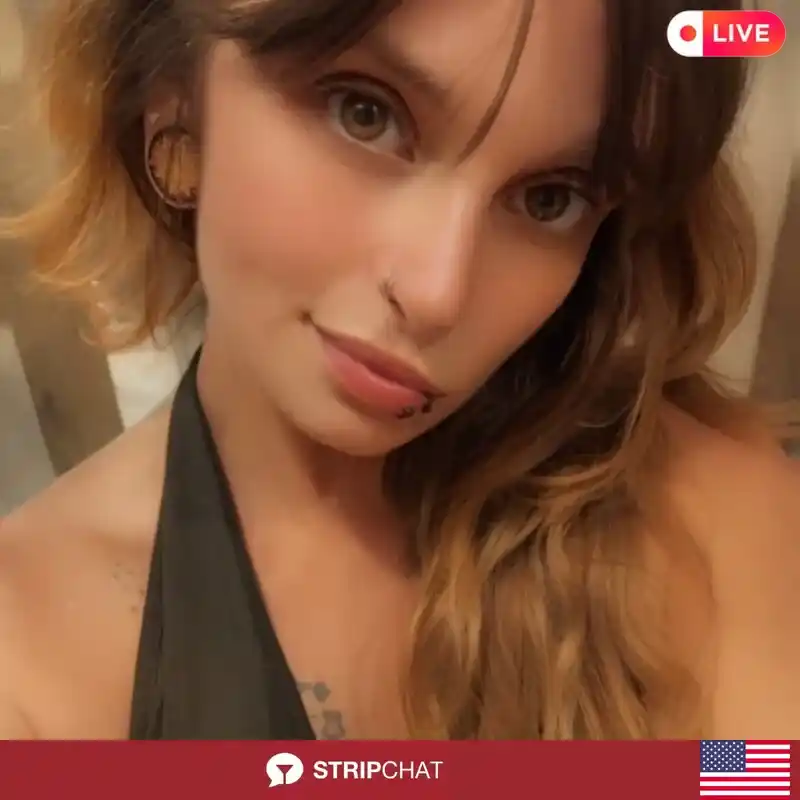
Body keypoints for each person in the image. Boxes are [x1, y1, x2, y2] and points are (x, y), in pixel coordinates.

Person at [0, 0, 797, 741]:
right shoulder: (31, 658)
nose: (437, 293)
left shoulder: (709, 512)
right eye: (365, 113)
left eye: (551, 199)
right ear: (174, 102)